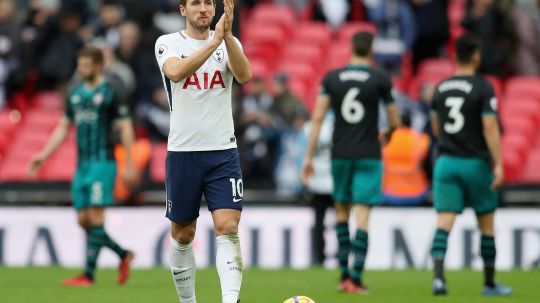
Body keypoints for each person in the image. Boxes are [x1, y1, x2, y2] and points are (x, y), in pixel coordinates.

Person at [153, 0, 251, 302]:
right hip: (183, 152)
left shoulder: (229, 42)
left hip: (223, 151)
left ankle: (230, 300)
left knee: (228, 227)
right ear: (183, 10)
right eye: (195, 3)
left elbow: (245, 75)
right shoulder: (167, 43)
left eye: (209, 2)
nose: (204, 8)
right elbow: (176, 72)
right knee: (183, 235)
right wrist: (215, 43)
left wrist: (227, 38)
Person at [301, 31, 401, 294]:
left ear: (351, 49)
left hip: (340, 154)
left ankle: (344, 276)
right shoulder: (380, 78)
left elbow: (318, 117)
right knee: (363, 219)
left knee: (342, 215)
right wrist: (388, 134)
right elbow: (395, 121)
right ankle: (356, 279)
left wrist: (309, 157)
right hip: (368, 154)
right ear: (371, 50)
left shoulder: (332, 78)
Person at [28, 46, 136, 287]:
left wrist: (129, 164)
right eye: (80, 65)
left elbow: (126, 127)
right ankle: (122, 254)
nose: (81, 69)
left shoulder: (111, 91)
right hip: (82, 164)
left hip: (103, 162)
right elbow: (64, 126)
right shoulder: (74, 92)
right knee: (83, 220)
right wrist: (43, 156)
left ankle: (88, 275)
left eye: (86, 66)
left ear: (98, 66)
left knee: (96, 217)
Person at [429, 33, 511, 296]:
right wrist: (498, 164)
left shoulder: (440, 87)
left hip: (446, 162)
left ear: (454, 56)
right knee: (486, 225)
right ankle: (489, 284)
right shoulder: (484, 87)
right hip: (475, 163)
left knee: (444, 221)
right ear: (476, 56)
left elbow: (435, 127)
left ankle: (439, 279)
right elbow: (490, 126)